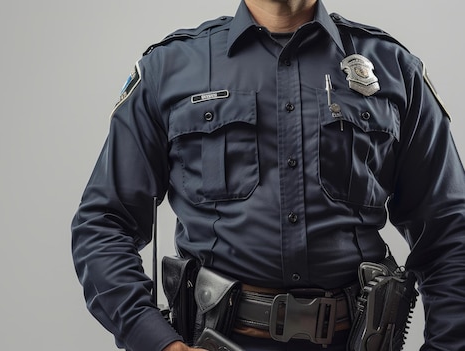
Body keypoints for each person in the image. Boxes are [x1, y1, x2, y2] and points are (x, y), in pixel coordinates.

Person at [71, 0, 465, 350]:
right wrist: (155, 340)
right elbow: (103, 225)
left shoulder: (396, 70)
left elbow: (452, 234)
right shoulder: (170, 69)